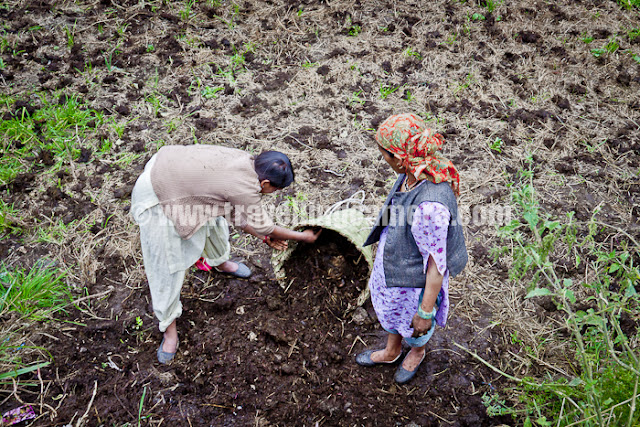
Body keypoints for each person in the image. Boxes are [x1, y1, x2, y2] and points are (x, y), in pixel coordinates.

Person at [131, 144, 321, 364]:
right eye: (275, 190)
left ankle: (220, 263)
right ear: (265, 183)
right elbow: (266, 227)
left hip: (177, 175)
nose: (274, 194)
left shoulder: (247, 163)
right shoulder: (244, 186)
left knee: (214, 221)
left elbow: (233, 210)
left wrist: (262, 236)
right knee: (167, 264)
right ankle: (169, 330)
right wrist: (303, 237)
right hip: (159, 194)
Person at [356, 113, 468, 384]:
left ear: (397, 157)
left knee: (414, 323)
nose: (383, 159)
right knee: (395, 312)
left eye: (383, 154)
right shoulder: (414, 171)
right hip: (399, 268)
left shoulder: (430, 207)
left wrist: (425, 311)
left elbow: (436, 266)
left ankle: (416, 351)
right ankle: (392, 350)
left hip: (415, 285)